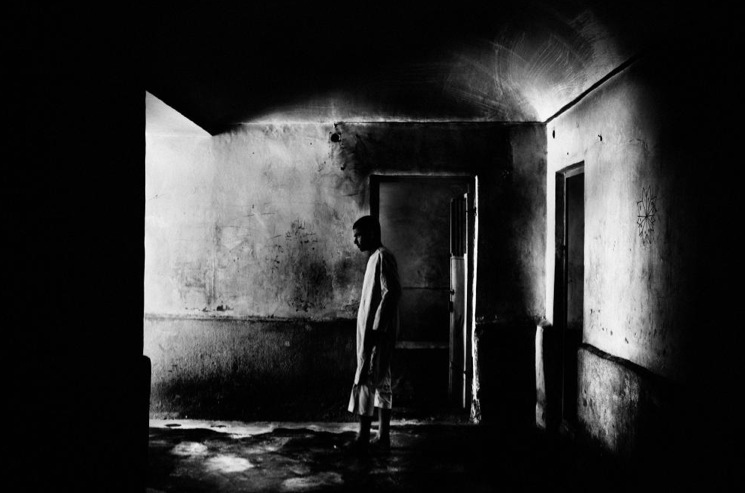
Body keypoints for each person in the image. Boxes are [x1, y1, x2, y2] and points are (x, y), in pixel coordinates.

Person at [346, 215, 401, 455]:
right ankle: (383, 437)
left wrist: (378, 328)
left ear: (371, 233)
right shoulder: (374, 259)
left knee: (367, 380)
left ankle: (363, 436)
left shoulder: (382, 257)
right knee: (381, 381)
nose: (355, 241)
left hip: (377, 333)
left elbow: (391, 293)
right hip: (375, 333)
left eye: (358, 236)